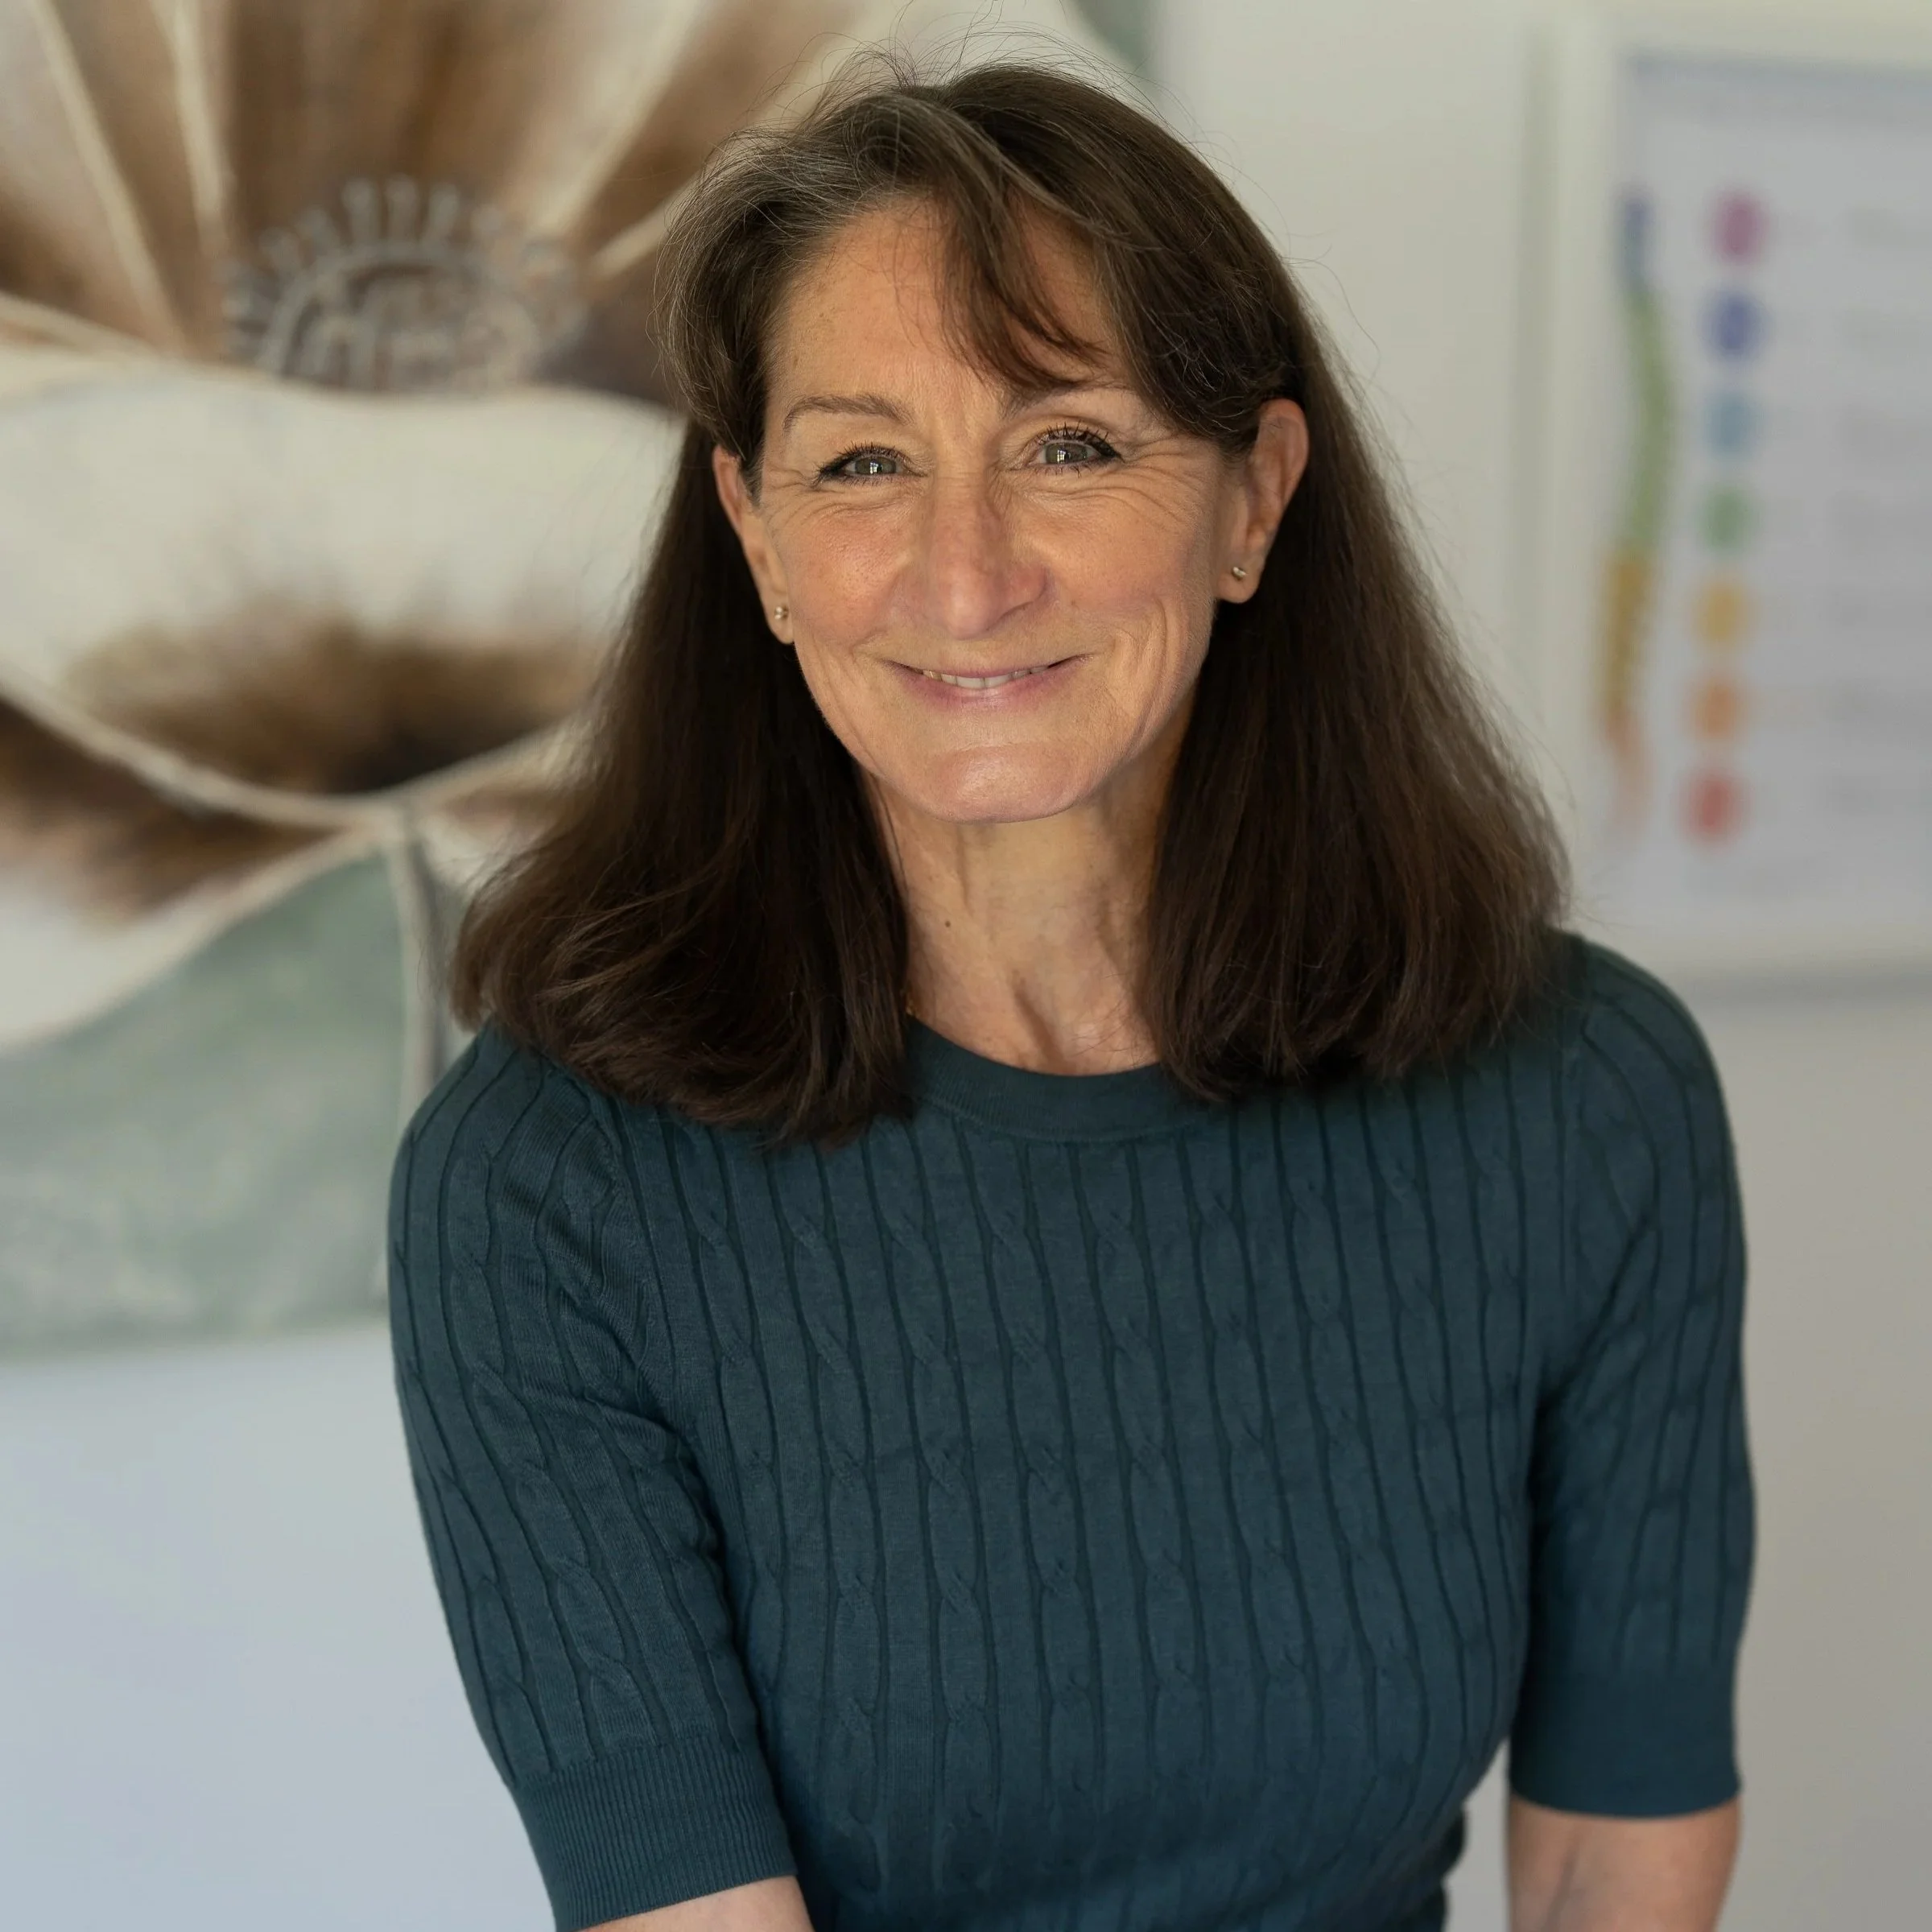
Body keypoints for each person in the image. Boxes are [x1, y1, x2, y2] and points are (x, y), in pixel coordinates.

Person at [388, 57, 1752, 1932]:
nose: (967, 578)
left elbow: (1614, 1843)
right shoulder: (548, 1190)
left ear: (1255, 499)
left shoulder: (1587, 1095)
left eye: (1071, 446)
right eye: (864, 464)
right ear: (759, 540)